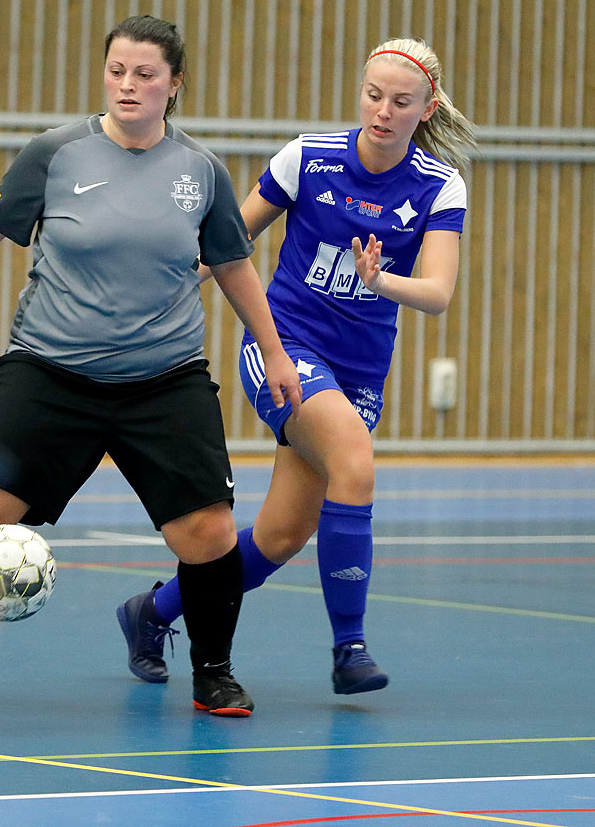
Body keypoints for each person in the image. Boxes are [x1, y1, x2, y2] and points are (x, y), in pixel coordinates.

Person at [0, 14, 302, 717]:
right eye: (117, 70)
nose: (128, 84)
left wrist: (274, 349)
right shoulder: (56, 153)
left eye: (145, 73)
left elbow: (232, 264)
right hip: (50, 373)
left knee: (207, 531)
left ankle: (213, 669)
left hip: (164, 379)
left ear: (175, 85)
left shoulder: (199, 172)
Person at [116, 37, 473, 696]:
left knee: (281, 534)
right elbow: (226, 243)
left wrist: (382, 281)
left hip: (359, 372)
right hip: (284, 348)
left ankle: (151, 611)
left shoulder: (437, 186)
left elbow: (440, 293)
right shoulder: (308, 160)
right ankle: (350, 649)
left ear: (426, 109)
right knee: (355, 463)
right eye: (373, 95)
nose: (383, 111)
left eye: (400, 102)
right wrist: (153, 299)